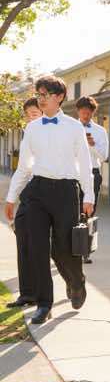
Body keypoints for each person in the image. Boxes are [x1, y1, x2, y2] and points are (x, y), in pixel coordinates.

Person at [4, 74, 94, 324]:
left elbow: (85, 164)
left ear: (59, 97)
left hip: (66, 191)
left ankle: (76, 281)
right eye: (39, 95)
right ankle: (44, 304)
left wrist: (89, 194)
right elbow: (24, 167)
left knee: (63, 249)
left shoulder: (74, 127)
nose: (40, 99)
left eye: (45, 95)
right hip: (38, 191)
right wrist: (11, 197)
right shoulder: (32, 129)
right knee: (38, 247)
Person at [6, 97, 42, 309]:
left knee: (43, 246)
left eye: (34, 113)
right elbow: (23, 168)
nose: (30, 118)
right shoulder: (28, 132)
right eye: (28, 115)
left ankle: (42, 294)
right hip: (30, 191)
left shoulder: (56, 130)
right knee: (23, 235)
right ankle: (27, 293)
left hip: (50, 190)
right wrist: (11, 198)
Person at [76, 95, 108, 263]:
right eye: (83, 112)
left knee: (89, 211)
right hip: (74, 174)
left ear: (93, 112)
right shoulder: (70, 128)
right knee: (73, 210)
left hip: (94, 173)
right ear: (78, 111)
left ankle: (85, 251)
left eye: (88, 112)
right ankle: (73, 249)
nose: (85, 115)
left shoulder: (100, 131)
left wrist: (92, 145)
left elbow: (104, 157)